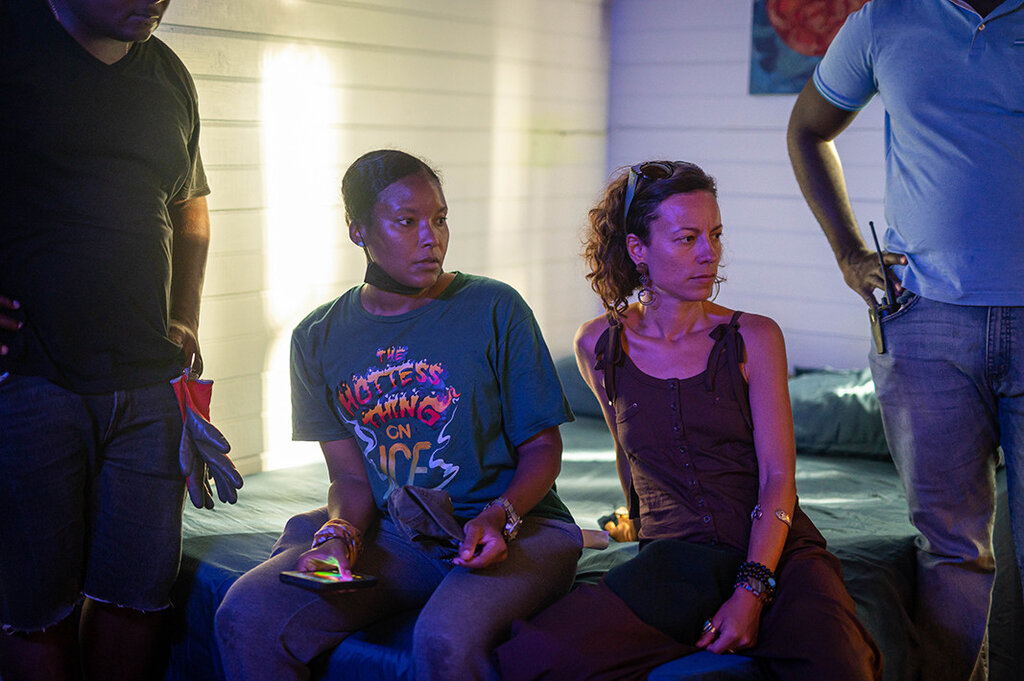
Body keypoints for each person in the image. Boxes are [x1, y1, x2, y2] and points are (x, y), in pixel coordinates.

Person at [495, 161, 881, 681]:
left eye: (715, 235)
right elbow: (627, 450)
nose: (709, 253)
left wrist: (751, 589)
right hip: (673, 560)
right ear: (638, 249)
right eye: (687, 238)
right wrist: (634, 520)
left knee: (841, 665)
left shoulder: (755, 337)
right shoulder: (598, 344)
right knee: (532, 659)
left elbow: (778, 477)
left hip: (776, 553)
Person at [214, 149, 583, 681]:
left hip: (519, 526)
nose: (432, 238)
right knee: (249, 614)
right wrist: (339, 534)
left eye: (440, 219)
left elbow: (543, 448)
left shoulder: (494, 307)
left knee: (444, 640)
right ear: (358, 230)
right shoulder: (318, 337)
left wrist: (499, 515)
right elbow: (349, 477)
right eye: (407, 222)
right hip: (401, 532)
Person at [786, 2, 1024, 679]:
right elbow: (807, 129)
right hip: (925, 324)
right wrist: (848, 254)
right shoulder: (884, 20)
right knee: (953, 550)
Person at [0, 0, 214, 679]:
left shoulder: (168, 73)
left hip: (150, 382)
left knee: (136, 596)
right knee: (36, 608)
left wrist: (185, 315)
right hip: (30, 379)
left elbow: (189, 205)